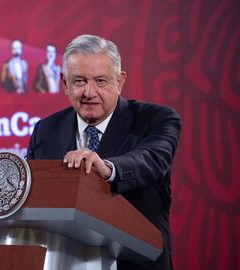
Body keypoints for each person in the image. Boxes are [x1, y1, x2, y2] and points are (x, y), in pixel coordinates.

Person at [27, 34, 181, 270]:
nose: (89, 92)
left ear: (119, 82)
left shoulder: (156, 119)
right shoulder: (46, 129)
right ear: (65, 84)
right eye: (79, 81)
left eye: (100, 81)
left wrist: (107, 168)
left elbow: (152, 159)